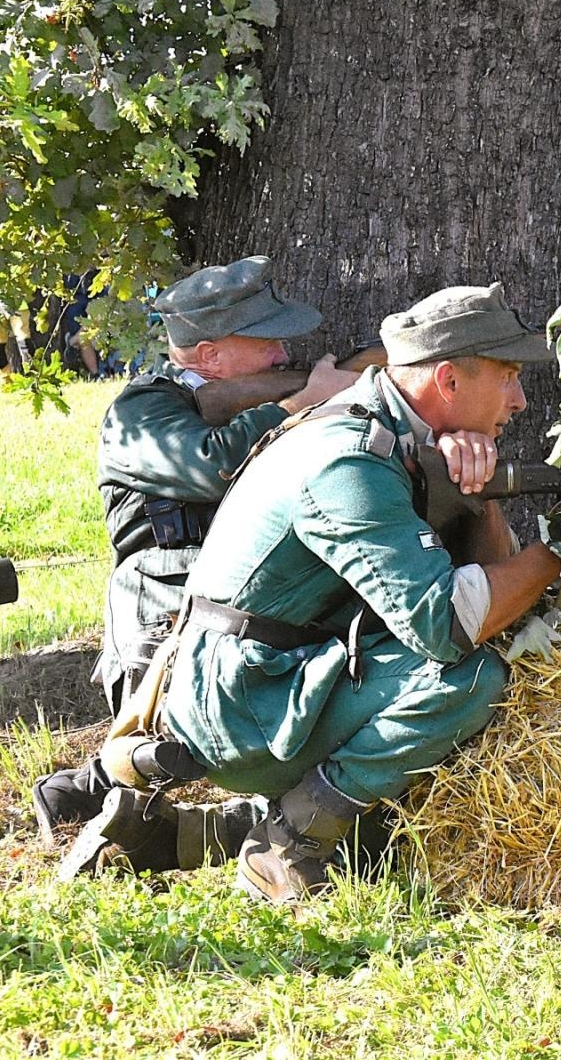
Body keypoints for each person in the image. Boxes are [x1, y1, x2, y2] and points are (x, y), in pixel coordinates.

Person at [62, 284, 561, 903]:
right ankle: (293, 839)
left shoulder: (384, 434)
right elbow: (447, 625)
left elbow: (493, 582)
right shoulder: (350, 461)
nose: (520, 398)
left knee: (412, 789)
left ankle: (180, 836)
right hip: (240, 702)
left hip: (265, 677)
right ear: (448, 381)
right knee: (467, 681)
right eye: (507, 377)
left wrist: (471, 499)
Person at [31, 256, 356, 865]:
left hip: (260, 593)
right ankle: (99, 783)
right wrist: (302, 405)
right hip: (167, 595)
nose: (283, 355)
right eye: (267, 343)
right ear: (208, 357)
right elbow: (212, 464)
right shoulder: (139, 413)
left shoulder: (237, 394)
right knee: (182, 731)